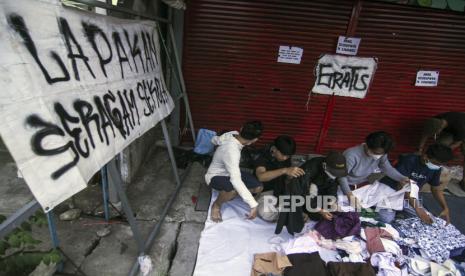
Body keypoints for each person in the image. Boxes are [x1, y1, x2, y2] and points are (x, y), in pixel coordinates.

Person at [205, 121, 264, 222]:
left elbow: (215, 140)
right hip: (215, 175)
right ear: (254, 140)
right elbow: (235, 179)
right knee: (232, 191)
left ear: (241, 129)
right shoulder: (232, 151)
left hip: (231, 170)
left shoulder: (233, 133)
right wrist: (253, 205)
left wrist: (216, 141)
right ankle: (216, 205)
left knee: (258, 187)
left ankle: (232, 193)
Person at [379, 144, 453, 224]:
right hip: (391, 192)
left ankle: (399, 210)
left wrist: (445, 208)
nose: (438, 166)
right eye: (436, 163)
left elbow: (435, 189)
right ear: (425, 156)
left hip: (410, 197)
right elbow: (401, 186)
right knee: (386, 220)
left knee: (426, 219)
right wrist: (418, 209)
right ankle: (392, 209)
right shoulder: (409, 160)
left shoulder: (436, 168)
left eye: (440, 164)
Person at [338, 131, 410, 207]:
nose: (378, 156)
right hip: (347, 186)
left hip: (363, 185)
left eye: (382, 153)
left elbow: (387, 168)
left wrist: (402, 178)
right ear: (368, 146)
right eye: (376, 153)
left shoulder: (382, 154)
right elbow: (341, 177)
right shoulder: (351, 155)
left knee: (390, 203)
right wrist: (350, 195)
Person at [418, 112, 465, 190]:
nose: (434, 136)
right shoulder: (436, 120)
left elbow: (458, 142)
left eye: (436, 133)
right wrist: (419, 149)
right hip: (452, 130)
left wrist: (443, 152)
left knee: (441, 151)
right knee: (440, 145)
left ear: (440, 128)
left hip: (462, 132)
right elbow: (426, 134)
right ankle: (428, 174)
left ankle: (464, 181)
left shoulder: (461, 128)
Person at [300, 151, 348, 221]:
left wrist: (332, 202)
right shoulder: (309, 169)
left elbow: (332, 186)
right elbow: (304, 193)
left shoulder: (332, 171)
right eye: (334, 173)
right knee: (315, 214)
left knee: (331, 211)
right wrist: (320, 210)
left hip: (319, 190)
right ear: (325, 166)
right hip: (303, 193)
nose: (335, 175)